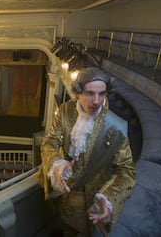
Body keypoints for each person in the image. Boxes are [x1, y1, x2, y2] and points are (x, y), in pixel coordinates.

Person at [38, 66, 136, 236]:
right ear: (78, 92)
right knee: (64, 224)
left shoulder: (117, 127)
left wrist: (109, 198)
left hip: (89, 199)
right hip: (62, 189)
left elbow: (126, 172)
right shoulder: (65, 111)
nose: (97, 101)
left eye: (102, 94)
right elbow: (50, 141)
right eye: (90, 93)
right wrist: (56, 162)